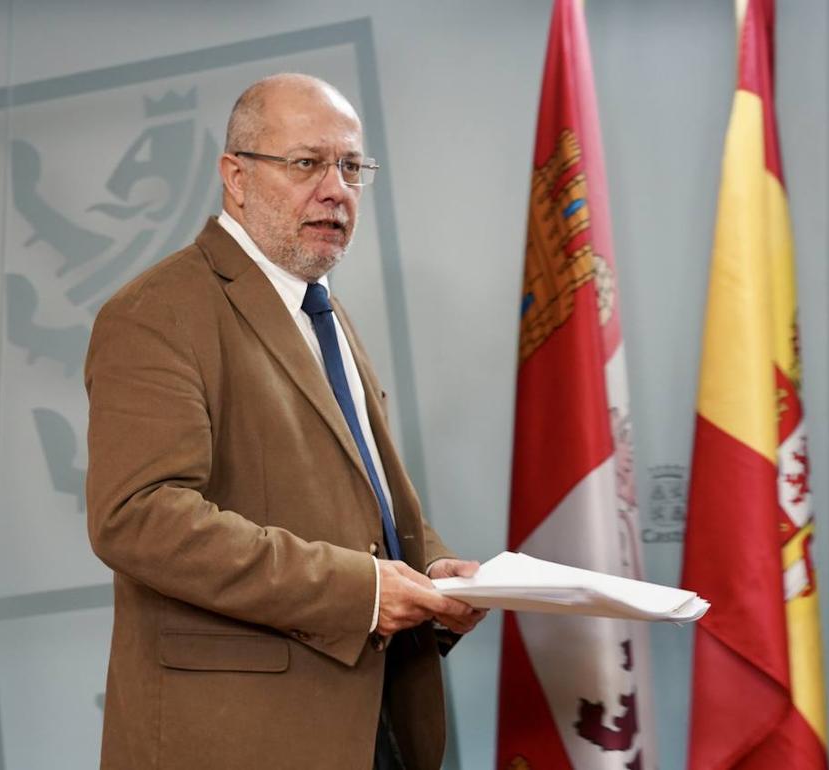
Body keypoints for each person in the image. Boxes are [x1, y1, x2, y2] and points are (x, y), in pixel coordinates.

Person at [84, 73, 486, 770]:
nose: (336, 190)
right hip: (239, 740)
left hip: (372, 719)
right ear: (235, 177)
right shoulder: (156, 312)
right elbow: (138, 517)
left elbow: (351, 499)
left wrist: (431, 572)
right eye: (307, 163)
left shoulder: (317, 308)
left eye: (351, 167)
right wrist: (360, 592)